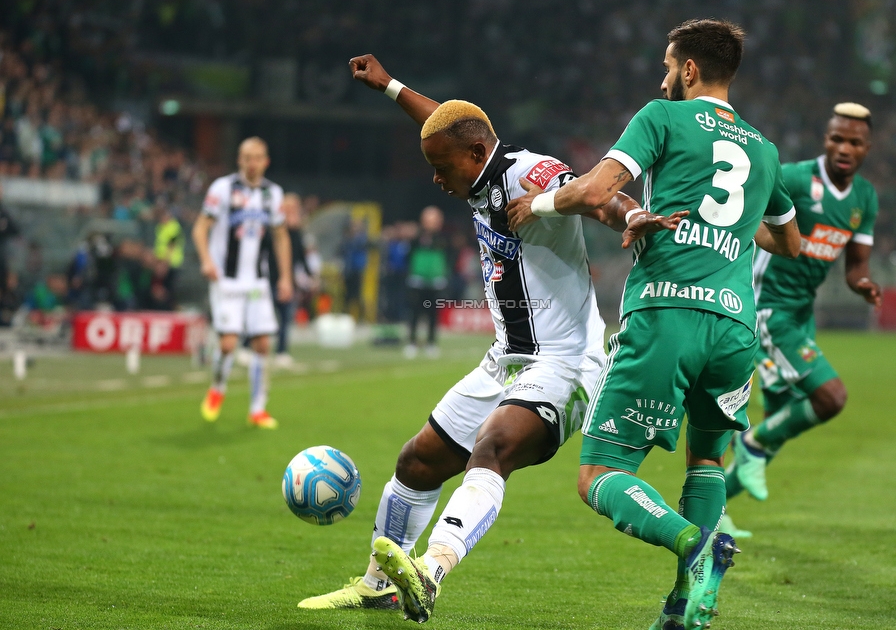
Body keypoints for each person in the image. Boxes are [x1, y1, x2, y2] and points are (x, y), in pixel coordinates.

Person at [297, 53, 680, 622]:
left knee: (492, 448)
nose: (436, 179)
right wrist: (389, 86)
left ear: (476, 156)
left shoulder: (529, 172)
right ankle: (380, 584)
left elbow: (593, 192)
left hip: (566, 363)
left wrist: (629, 216)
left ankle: (432, 569)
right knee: (417, 462)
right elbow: (448, 125)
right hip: (505, 360)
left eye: (441, 168)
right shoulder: (471, 157)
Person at [508, 19, 801, 629]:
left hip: (666, 314)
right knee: (705, 463)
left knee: (599, 474)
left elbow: (593, 192)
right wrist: (733, 229)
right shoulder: (765, 150)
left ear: (689, 70)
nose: (662, 76)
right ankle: (687, 607)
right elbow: (790, 243)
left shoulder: (662, 119)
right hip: (733, 331)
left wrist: (533, 205)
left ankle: (695, 545)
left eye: (669, 65)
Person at [722, 103, 881, 536]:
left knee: (782, 417)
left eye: (854, 142)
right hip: (768, 307)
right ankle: (748, 444)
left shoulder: (864, 198)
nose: (844, 148)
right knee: (829, 398)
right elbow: (739, 208)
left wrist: (863, 283)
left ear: (868, 148)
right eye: (836, 138)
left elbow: (854, 266)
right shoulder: (792, 178)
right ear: (825, 139)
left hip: (800, 312)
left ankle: (715, 513)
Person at [192, 137, 292, 430]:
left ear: (266, 161)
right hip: (226, 279)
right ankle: (218, 387)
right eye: (247, 157)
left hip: (257, 282)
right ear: (239, 160)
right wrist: (206, 260)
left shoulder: (272, 194)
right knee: (228, 343)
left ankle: (257, 409)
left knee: (262, 344)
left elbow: (281, 236)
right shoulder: (222, 189)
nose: (252, 162)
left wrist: (285, 276)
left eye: (257, 157)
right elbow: (201, 227)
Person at [266, 192, 314, 367]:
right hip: (269, 278)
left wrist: (309, 275)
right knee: (263, 316)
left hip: (288, 280)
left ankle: (281, 351)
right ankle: (249, 347)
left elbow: (300, 255)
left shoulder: (296, 232)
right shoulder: (273, 229)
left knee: (286, 317)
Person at [403, 205, 448, 359]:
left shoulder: (443, 238)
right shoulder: (416, 237)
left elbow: (447, 256)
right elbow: (408, 255)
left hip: (435, 280)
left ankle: (431, 342)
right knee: (415, 312)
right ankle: (412, 342)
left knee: (432, 313)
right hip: (417, 279)